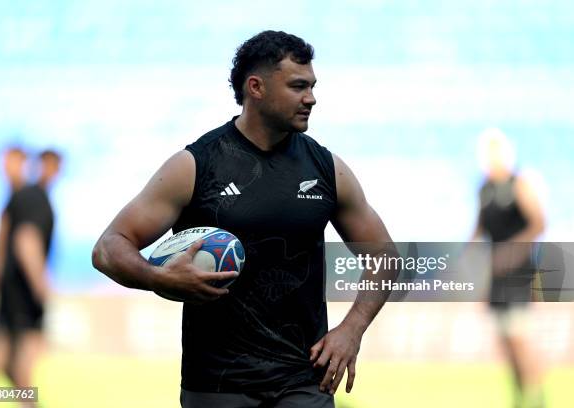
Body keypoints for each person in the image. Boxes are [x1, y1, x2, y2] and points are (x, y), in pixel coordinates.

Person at [93, 30, 395, 408]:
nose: (311, 98)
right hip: (217, 387)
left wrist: (352, 330)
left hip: (304, 383)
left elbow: (386, 257)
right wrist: (157, 277)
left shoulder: (326, 168)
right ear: (256, 87)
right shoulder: (196, 165)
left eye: (313, 86)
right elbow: (108, 247)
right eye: (298, 86)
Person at [0, 148, 62, 403]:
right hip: (23, 291)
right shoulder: (37, 198)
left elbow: (4, 233)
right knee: (21, 365)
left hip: (10, 289)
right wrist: (40, 284)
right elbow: (25, 240)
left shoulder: (19, 196)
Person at [471, 128, 546, 408]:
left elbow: (538, 223)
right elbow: (477, 229)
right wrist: (466, 258)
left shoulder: (519, 185)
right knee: (505, 343)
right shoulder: (484, 188)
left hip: (519, 276)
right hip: (496, 278)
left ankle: (538, 399)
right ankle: (519, 399)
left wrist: (510, 251)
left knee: (520, 340)